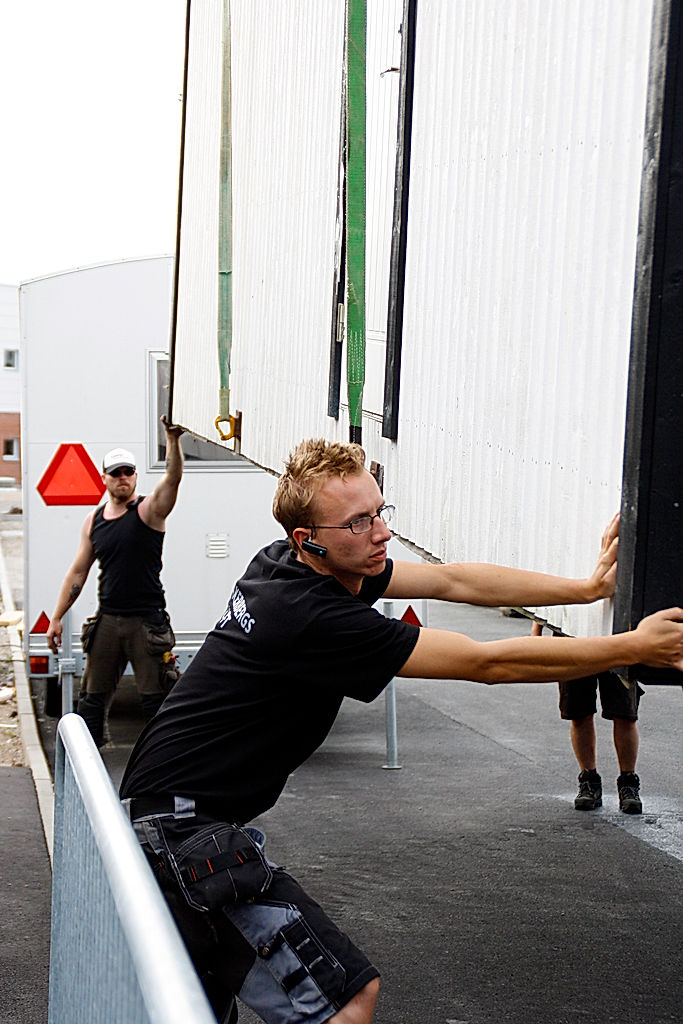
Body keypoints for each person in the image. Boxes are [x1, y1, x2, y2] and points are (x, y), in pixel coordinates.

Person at [119, 438, 683, 1024]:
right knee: (345, 999)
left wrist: (583, 590)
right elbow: (484, 664)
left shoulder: (282, 564)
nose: (380, 533)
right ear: (307, 539)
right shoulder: (313, 617)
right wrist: (635, 647)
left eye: (380, 511)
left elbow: (453, 582)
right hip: (180, 834)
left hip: (163, 819)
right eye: (357, 522)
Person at [47, 416, 184, 746]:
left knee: (155, 703)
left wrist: (173, 440)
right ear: (105, 479)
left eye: (128, 472)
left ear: (135, 476)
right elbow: (78, 572)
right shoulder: (94, 521)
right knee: (92, 702)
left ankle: (160, 773)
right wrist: (56, 617)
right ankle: (89, 774)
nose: (123, 478)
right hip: (108, 619)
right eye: (116, 473)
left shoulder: (149, 510)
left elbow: (173, 478)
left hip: (146, 623)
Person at [531, 620, 643, 813]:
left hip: (618, 635)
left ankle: (628, 783)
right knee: (579, 712)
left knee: (625, 714)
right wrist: (537, 628)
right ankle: (589, 782)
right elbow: (551, 591)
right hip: (571, 636)